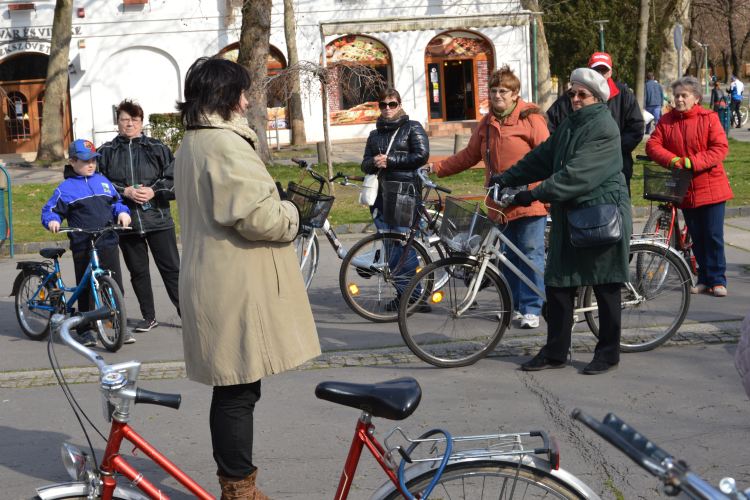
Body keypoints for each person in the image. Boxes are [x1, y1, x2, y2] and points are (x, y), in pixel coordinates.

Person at [174, 56, 320, 500]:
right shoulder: (223, 143)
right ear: (225, 96)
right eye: (241, 91)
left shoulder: (195, 140)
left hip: (216, 277)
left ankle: (237, 484)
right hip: (232, 283)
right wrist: (294, 212)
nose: (247, 99)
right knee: (237, 391)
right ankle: (239, 489)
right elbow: (256, 216)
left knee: (234, 387)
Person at [489, 68, 632, 375]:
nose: (575, 99)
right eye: (572, 93)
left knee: (605, 283)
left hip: (601, 212)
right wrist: (508, 178)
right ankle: (555, 352)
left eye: (582, 94)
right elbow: (542, 157)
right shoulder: (570, 123)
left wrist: (532, 194)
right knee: (558, 282)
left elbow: (577, 174)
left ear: (597, 98)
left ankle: (608, 353)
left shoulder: (604, 126)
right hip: (570, 212)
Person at [426, 64, 549, 329]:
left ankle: (532, 308)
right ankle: (514, 306)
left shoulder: (531, 118)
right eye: (493, 91)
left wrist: (545, 192)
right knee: (507, 256)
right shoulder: (487, 123)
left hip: (529, 198)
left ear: (515, 94)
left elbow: (548, 155)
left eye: (503, 91)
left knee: (529, 253)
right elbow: (469, 156)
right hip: (499, 201)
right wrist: (437, 168)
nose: (497, 96)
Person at [97, 99, 180, 333]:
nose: (130, 124)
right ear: (118, 122)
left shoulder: (157, 147)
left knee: (172, 270)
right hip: (127, 224)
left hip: (159, 220)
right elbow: (100, 185)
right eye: (125, 119)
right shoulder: (105, 152)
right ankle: (149, 317)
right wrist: (125, 192)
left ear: (141, 122)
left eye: (134, 120)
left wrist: (154, 190)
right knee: (138, 272)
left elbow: (174, 180)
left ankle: (186, 313)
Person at [646, 76, 732, 297]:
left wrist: (690, 162)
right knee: (697, 236)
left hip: (711, 187)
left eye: (684, 95)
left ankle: (718, 280)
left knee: (713, 235)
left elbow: (719, 149)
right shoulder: (666, 121)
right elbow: (653, 145)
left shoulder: (709, 118)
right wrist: (673, 160)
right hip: (684, 189)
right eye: (676, 95)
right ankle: (703, 278)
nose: (679, 99)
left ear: (696, 98)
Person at [41, 139, 133, 346]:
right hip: (83, 243)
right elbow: (50, 210)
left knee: (113, 285)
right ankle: (85, 329)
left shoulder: (103, 181)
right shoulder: (65, 188)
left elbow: (117, 202)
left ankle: (116, 324)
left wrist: (123, 213)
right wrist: (53, 220)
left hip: (107, 240)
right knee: (86, 289)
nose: (91, 164)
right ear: (72, 162)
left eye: (93, 160)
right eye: (85, 161)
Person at [361, 88, 430, 312]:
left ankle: (414, 297)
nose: (388, 108)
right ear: (379, 107)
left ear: (399, 105)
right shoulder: (374, 134)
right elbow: (364, 164)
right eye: (383, 105)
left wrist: (390, 160)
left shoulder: (412, 127)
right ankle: (403, 293)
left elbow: (421, 156)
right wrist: (375, 163)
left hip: (404, 195)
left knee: (404, 246)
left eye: (392, 104)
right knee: (390, 247)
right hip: (380, 197)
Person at [546, 53, 644, 193]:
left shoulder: (623, 92)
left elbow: (636, 127)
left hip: (616, 169)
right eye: (595, 70)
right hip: (581, 171)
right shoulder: (573, 95)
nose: (599, 74)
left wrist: (612, 148)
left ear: (611, 72)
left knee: (616, 211)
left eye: (603, 70)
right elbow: (550, 125)